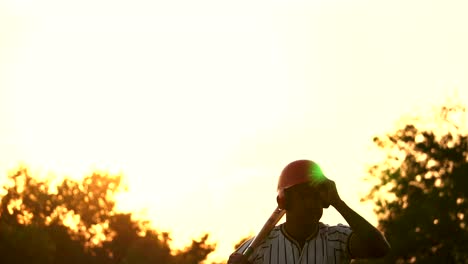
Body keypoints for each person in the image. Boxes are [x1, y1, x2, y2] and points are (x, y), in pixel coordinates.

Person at [228, 159, 390, 264]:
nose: (314, 202)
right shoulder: (258, 247)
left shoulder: (337, 238)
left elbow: (379, 248)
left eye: (317, 194)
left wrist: (338, 203)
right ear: (285, 200)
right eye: (306, 195)